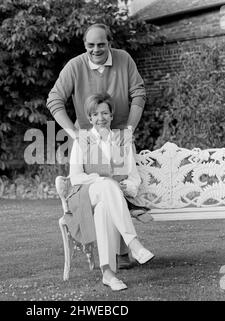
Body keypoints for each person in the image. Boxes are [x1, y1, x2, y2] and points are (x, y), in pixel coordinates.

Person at [46, 23, 152, 268]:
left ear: (109, 43)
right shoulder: (75, 66)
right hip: (89, 138)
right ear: (85, 45)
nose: (96, 49)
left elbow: (138, 93)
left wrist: (129, 130)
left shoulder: (124, 60)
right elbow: (54, 100)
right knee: (104, 186)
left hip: (119, 135)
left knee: (120, 184)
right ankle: (123, 250)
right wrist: (75, 134)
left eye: (101, 44)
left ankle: (121, 251)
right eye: (91, 45)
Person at [66, 93, 154, 291]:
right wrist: (102, 180)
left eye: (105, 113)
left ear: (112, 115)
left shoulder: (122, 140)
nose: (101, 118)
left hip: (110, 199)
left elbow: (133, 177)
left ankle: (108, 274)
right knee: (107, 185)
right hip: (86, 194)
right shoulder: (82, 140)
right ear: (89, 118)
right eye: (95, 114)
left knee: (105, 208)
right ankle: (134, 244)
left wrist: (127, 187)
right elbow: (75, 177)